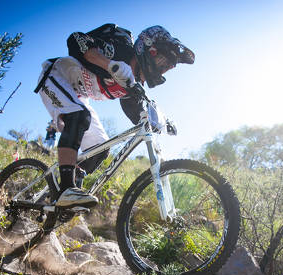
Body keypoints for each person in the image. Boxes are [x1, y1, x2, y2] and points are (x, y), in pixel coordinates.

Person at [35, 24, 194, 207]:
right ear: (150, 49)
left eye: (167, 68)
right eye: (162, 63)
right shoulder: (119, 48)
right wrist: (109, 65)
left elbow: (139, 117)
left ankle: (64, 195)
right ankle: (66, 189)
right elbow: (75, 38)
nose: (162, 70)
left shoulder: (132, 86)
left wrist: (161, 122)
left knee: (100, 149)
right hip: (55, 76)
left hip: (77, 96)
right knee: (80, 117)